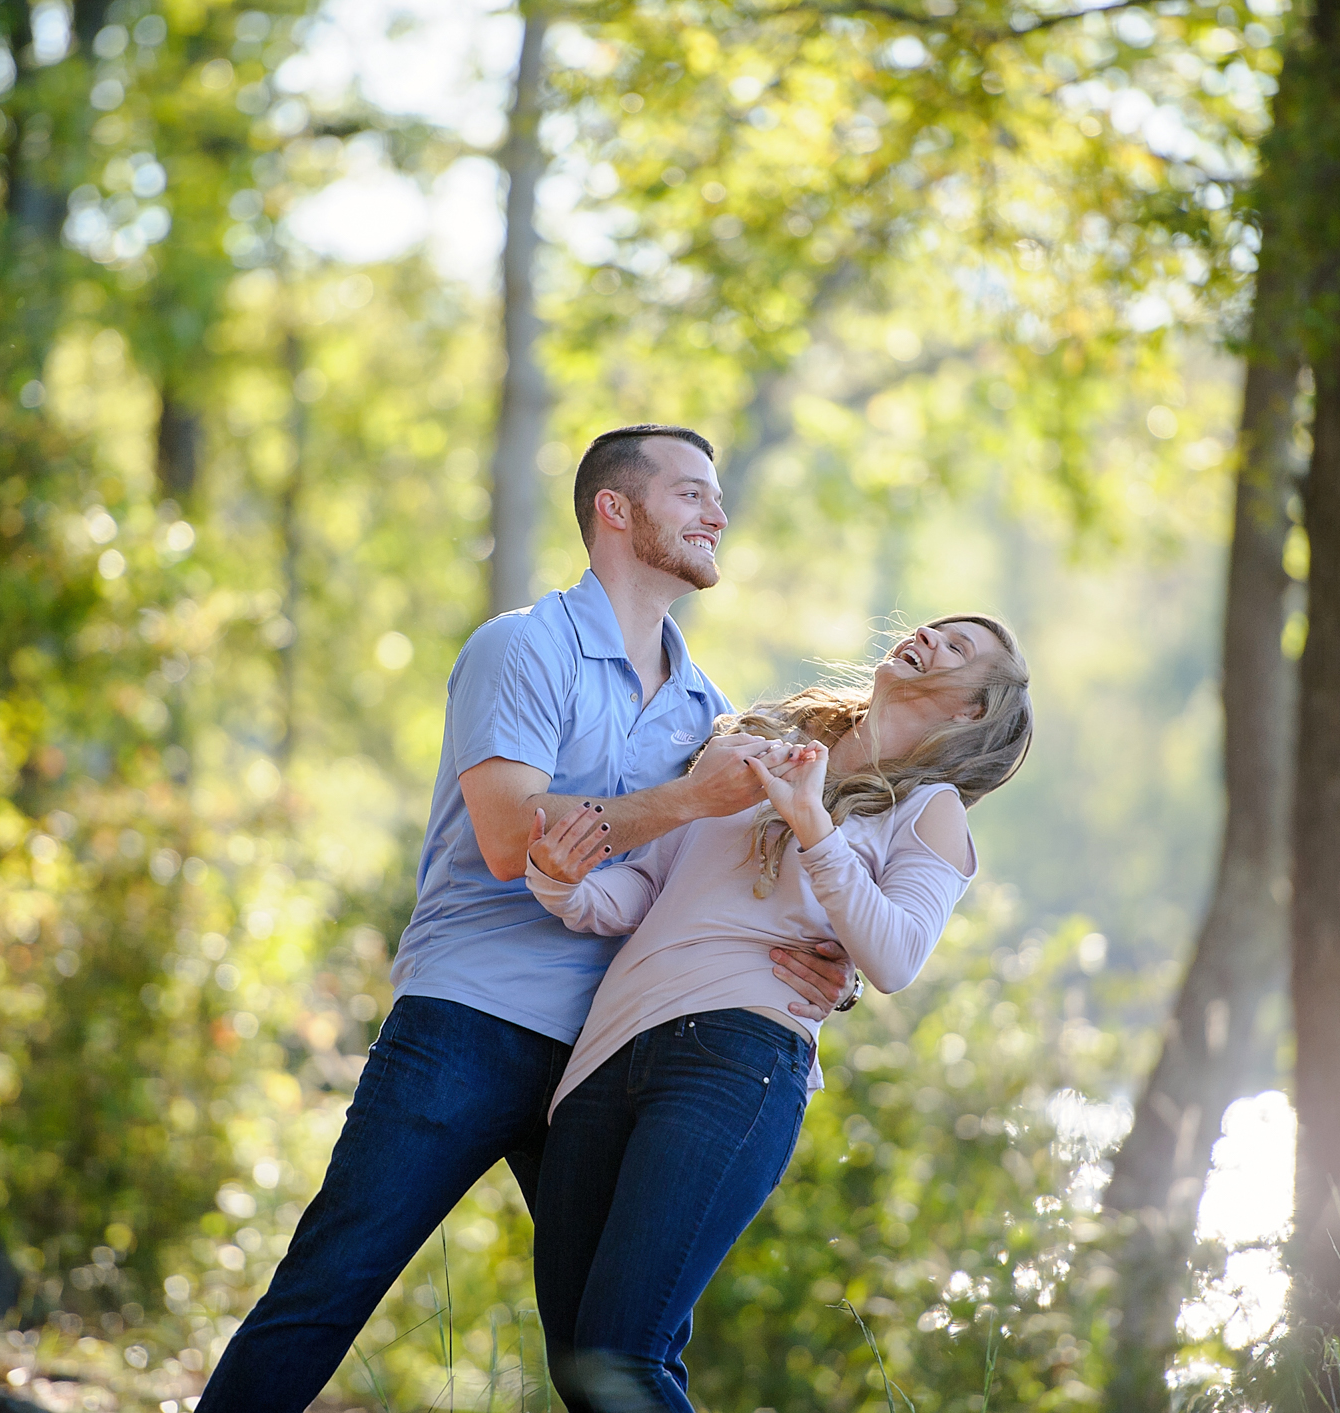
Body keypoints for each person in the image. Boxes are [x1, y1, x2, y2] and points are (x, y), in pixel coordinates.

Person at [195, 425, 856, 1413]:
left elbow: (719, 886)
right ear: (614, 509)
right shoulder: (523, 647)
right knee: (327, 1289)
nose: (716, 515)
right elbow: (512, 839)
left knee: (617, 1352)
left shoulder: (706, 711)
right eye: (689, 494)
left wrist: (821, 960)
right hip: (469, 1022)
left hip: (607, 1061)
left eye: (715, 497)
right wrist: (685, 802)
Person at [520, 614, 1033, 1413]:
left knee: (623, 1355)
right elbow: (648, 887)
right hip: (604, 1054)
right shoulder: (761, 741)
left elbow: (894, 954)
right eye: (932, 627)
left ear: (972, 710)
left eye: (958, 648)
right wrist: (559, 880)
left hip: (735, 1054)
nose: (929, 638)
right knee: (581, 1365)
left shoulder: (930, 809)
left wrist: (812, 823)